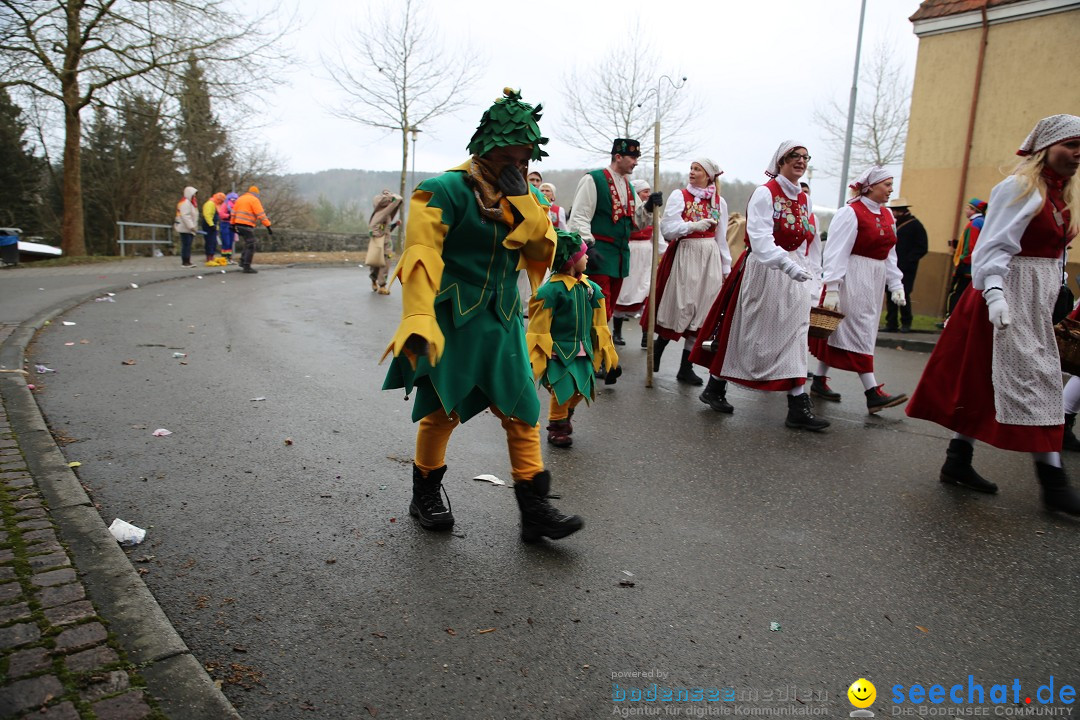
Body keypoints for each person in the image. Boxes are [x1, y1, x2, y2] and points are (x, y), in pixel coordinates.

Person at [382, 88, 583, 542]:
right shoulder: (443, 189)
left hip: (502, 317)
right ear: (488, 150)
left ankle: (534, 512)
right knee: (440, 412)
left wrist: (528, 203)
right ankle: (425, 494)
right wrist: (417, 316)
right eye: (512, 156)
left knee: (522, 413)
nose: (520, 165)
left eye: (526, 157)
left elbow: (542, 250)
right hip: (451, 314)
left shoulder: (522, 194)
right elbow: (420, 255)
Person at [906, 114, 1080, 515]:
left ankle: (957, 460)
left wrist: (1058, 288)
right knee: (1038, 384)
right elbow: (992, 248)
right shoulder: (1020, 188)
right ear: (1047, 147)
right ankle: (1053, 483)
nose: (1076, 155)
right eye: (1070, 145)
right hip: (1002, 297)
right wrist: (998, 297)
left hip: (1032, 301)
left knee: (986, 382)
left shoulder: (1061, 195)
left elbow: (1055, 253)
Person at [689, 141, 828, 429]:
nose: (801, 162)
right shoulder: (765, 193)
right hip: (765, 269)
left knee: (795, 333)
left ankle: (798, 406)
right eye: (794, 157)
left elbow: (805, 241)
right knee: (748, 332)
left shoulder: (804, 198)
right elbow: (761, 238)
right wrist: (786, 264)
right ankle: (715, 386)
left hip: (794, 272)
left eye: (805, 157)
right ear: (781, 161)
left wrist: (811, 276)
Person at [809, 166, 908, 413]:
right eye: (887, 184)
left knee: (847, 330)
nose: (891, 189)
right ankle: (872, 392)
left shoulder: (888, 215)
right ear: (871, 186)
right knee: (859, 331)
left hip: (873, 279)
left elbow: (890, 253)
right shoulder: (850, 213)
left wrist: (896, 284)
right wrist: (832, 287)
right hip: (852, 276)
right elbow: (836, 251)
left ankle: (819, 381)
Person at [526, 230, 619, 448]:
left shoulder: (590, 288)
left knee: (581, 388)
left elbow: (600, 323)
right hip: (559, 350)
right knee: (562, 389)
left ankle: (566, 415)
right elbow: (539, 326)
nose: (588, 257)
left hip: (583, 348)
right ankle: (557, 427)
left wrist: (606, 351)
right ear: (570, 261)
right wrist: (539, 352)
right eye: (583, 254)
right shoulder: (551, 291)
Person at [648, 158, 731, 386]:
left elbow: (722, 238)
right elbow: (667, 229)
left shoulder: (719, 202)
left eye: (698, 170)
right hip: (685, 253)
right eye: (692, 169)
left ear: (709, 175)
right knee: (680, 306)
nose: (692, 173)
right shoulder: (679, 196)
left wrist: (726, 267)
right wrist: (691, 226)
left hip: (709, 257)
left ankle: (686, 367)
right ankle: (658, 348)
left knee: (702, 310)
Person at [567, 138, 662, 324]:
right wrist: (587, 247)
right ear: (618, 157)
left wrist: (649, 206)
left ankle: (599, 349)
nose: (636, 162)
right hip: (597, 256)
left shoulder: (627, 186)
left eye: (637, 158)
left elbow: (637, 221)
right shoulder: (593, 179)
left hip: (619, 259)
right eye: (632, 157)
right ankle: (590, 350)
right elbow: (579, 216)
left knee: (607, 312)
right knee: (596, 311)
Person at [613, 178, 663, 348]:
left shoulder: (653, 212)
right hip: (629, 252)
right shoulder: (626, 210)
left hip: (646, 255)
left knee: (647, 291)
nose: (648, 195)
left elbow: (659, 237)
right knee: (623, 291)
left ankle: (645, 335)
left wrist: (666, 251)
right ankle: (617, 332)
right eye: (644, 191)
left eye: (649, 191)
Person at [883, 198, 928, 332]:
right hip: (893, 265)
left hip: (906, 267)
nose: (892, 212)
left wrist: (909, 260)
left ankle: (906, 322)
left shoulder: (915, 225)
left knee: (904, 294)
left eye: (894, 210)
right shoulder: (894, 224)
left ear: (901, 211)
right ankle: (891, 323)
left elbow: (922, 247)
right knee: (890, 293)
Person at [942, 197, 987, 320]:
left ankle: (952, 318)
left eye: (968, 208)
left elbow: (971, 246)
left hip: (967, 266)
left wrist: (962, 260)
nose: (965, 210)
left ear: (973, 210)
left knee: (957, 293)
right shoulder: (984, 222)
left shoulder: (974, 224)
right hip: (977, 266)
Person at [368, 190, 404, 294]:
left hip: (387, 243)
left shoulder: (387, 215)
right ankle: (373, 279)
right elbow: (372, 228)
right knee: (375, 263)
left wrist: (395, 225)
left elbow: (387, 228)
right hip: (377, 242)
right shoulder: (378, 214)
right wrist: (377, 236)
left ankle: (382, 286)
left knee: (386, 262)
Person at [230, 186, 272, 274]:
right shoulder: (254, 200)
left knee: (248, 243)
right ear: (256, 194)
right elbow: (261, 214)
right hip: (247, 225)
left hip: (238, 224)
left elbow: (233, 213)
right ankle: (247, 266)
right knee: (251, 245)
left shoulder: (240, 199)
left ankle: (242, 261)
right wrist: (268, 226)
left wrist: (232, 224)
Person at [173, 186, 199, 267]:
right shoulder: (186, 203)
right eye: (194, 194)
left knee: (188, 245)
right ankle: (185, 262)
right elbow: (185, 216)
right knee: (186, 245)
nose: (195, 196)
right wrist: (191, 226)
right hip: (185, 228)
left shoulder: (190, 203)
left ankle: (187, 261)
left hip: (188, 228)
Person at [202, 192, 226, 266]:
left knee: (213, 242)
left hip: (212, 225)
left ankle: (211, 257)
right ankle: (209, 258)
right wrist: (211, 225)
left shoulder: (214, 204)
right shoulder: (210, 204)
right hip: (209, 225)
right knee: (210, 242)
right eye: (221, 201)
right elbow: (207, 215)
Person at [218, 192, 239, 264]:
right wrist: (228, 216)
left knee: (230, 242)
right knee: (226, 242)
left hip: (231, 224)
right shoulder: (225, 204)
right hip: (225, 223)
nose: (234, 200)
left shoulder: (235, 206)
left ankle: (229, 258)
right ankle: (224, 258)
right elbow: (221, 214)